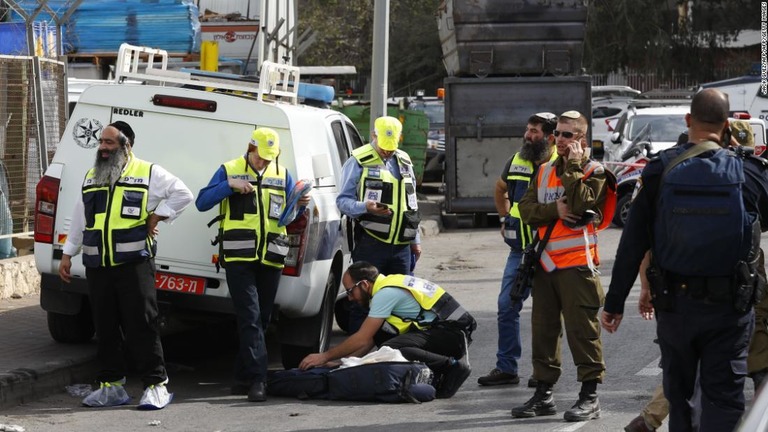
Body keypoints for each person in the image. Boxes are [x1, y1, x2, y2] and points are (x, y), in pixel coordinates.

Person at [602, 89, 768, 432]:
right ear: (727, 126)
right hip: (730, 310)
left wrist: (615, 302)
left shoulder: (659, 171)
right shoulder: (748, 173)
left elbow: (633, 242)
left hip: (676, 306)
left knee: (680, 398)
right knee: (724, 398)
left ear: (688, 120)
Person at [58, 121, 194, 409]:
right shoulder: (92, 176)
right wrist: (68, 254)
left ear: (126, 145)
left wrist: (159, 216)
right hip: (98, 265)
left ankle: (156, 385)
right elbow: (81, 218)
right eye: (101, 143)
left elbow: (183, 194)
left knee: (142, 325)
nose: (103, 148)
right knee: (105, 327)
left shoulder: (149, 172)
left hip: (134, 265)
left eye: (109, 143)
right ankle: (112, 386)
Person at [512, 110, 616, 422]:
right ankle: (543, 394)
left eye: (567, 135)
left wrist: (572, 168)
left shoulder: (593, 170)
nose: (559, 139)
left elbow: (583, 204)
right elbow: (525, 210)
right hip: (545, 265)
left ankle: (589, 396)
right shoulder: (543, 170)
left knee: (582, 332)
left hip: (577, 266)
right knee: (543, 331)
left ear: (581, 139)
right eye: (557, 133)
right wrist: (554, 210)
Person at [195, 127, 310, 403]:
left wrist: (302, 203)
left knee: (263, 319)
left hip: (271, 257)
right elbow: (201, 202)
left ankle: (241, 376)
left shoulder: (282, 174)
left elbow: (289, 215)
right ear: (250, 148)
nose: (265, 162)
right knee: (249, 316)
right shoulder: (229, 169)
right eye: (261, 157)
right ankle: (259, 380)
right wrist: (229, 186)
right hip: (239, 257)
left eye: (270, 158)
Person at [298, 261, 477, 399]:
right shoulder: (388, 283)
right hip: (448, 332)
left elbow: (361, 338)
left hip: (453, 334)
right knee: (384, 337)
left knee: (392, 348)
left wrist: (324, 356)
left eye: (351, 291)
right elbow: (370, 340)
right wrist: (344, 363)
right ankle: (439, 370)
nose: (350, 298)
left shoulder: (385, 294)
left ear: (364, 284)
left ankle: (452, 367)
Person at [477, 112, 557, 388]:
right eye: (528, 129)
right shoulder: (516, 160)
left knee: (546, 314)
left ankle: (544, 371)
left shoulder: (560, 163)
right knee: (506, 307)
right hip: (519, 251)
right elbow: (500, 189)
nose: (528, 135)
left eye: (534, 131)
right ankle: (507, 367)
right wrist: (503, 218)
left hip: (550, 252)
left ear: (549, 137)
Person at [336, 116, 422, 333]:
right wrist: (366, 207)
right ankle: (357, 361)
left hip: (402, 245)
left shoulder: (404, 160)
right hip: (371, 243)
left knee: (403, 303)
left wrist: (415, 240)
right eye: (384, 147)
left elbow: (411, 202)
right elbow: (342, 201)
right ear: (374, 136)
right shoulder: (358, 161)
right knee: (363, 302)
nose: (387, 152)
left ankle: (396, 358)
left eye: (392, 148)